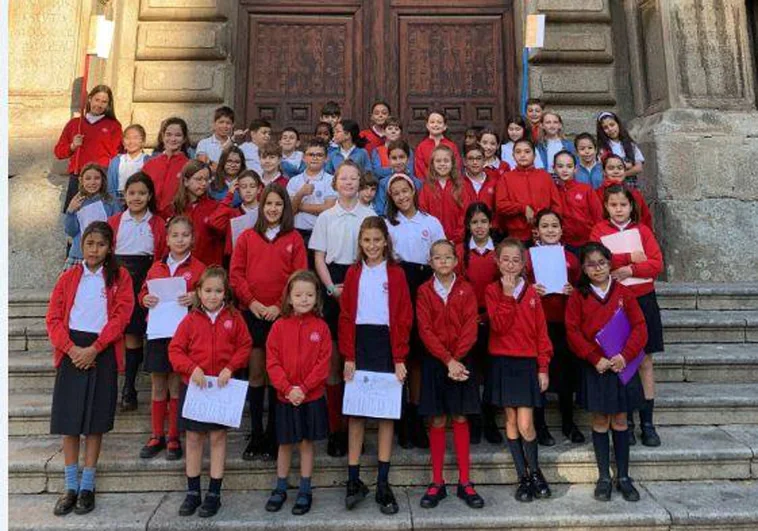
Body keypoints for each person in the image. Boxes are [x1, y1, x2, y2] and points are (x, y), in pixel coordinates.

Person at [47, 221, 134, 516]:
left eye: (100, 244)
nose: (94, 249)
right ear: (80, 246)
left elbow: (122, 316)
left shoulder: (119, 277)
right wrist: (71, 349)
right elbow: (54, 318)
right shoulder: (69, 277)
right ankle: (70, 485)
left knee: (94, 422)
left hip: (101, 351)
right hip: (71, 350)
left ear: (109, 248)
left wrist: (95, 348)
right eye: (89, 243)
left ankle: (87, 485)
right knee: (69, 422)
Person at [339, 216, 413, 515]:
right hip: (359, 343)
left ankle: (383, 482)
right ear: (360, 242)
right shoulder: (353, 273)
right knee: (356, 415)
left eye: (377, 240)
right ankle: (353, 479)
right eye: (366, 240)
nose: (372, 245)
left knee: (385, 415)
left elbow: (404, 317)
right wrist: (348, 355)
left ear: (386, 241)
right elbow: (345, 316)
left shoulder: (395, 274)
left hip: (387, 344)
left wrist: (399, 358)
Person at [230, 183, 308, 460]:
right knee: (256, 372)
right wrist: (252, 302)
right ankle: (257, 433)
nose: (273, 209)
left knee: (278, 375)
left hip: (282, 316)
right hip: (252, 313)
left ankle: (276, 433)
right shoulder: (248, 237)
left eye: (278, 204)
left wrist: (278, 306)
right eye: (268, 204)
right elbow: (236, 274)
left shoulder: (294, 239)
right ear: (261, 208)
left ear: (285, 208)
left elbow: (300, 277)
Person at [565, 242, 647, 502]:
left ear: (609, 264)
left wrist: (625, 355)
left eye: (602, 262)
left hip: (621, 365)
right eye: (591, 264)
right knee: (601, 420)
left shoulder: (624, 293)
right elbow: (573, 331)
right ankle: (603, 477)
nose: (597, 268)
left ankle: (623, 476)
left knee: (621, 420)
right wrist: (593, 357)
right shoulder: (579, 296)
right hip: (597, 367)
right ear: (584, 269)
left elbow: (640, 327)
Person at [170, 267, 252, 518]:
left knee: (217, 438)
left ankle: (214, 493)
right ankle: (193, 492)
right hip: (196, 388)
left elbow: (245, 345)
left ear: (225, 293)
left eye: (218, 291)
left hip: (222, 389)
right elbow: (175, 350)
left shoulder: (234, 318)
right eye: (207, 291)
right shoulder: (190, 320)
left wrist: (231, 367)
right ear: (198, 292)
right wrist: (191, 368)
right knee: (194, 439)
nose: (213, 296)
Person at [309, 160, 375, 457]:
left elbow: (375, 254)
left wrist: (358, 286)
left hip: (362, 280)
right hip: (333, 282)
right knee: (335, 360)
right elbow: (319, 257)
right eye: (343, 178)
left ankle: (356, 427)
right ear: (335, 183)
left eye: (354, 178)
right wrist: (331, 288)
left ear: (360, 183)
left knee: (358, 357)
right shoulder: (326, 217)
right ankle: (336, 429)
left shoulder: (370, 215)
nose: (348, 182)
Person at [590, 185, 664, 447]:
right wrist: (628, 257)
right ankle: (628, 422)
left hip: (643, 298)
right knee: (624, 362)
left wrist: (629, 268)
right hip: (616, 302)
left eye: (623, 205)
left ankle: (648, 423)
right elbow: (599, 261)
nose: (618, 210)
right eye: (613, 205)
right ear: (606, 207)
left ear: (631, 206)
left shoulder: (642, 230)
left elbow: (656, 264)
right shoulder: (600, 231)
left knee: (644, 361)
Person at [416, 239, 484, 510]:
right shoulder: (423, 291)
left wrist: (456, 359)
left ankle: (465, 481)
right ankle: (437, 482)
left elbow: (470, 326)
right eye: (437, 257)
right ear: (430, 262)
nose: (443, 261)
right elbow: (425, 329)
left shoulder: (466, 289)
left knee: (459, 415)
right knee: (438, 418)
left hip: (461, 361)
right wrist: (447, 360)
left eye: (448, 257)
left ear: (456, 261)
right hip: (436, 361)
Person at [485, 238, 552, 502]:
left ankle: (535, 471)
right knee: (511, 421)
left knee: (526, 423)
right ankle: (522, 476)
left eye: (516, 260)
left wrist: (543, 366)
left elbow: (541, 333)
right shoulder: (492, 291)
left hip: (526, 362)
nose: (510, 265)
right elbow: (499, 326)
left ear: (524, 264)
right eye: (505, 260)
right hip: (502, 360)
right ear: (497, 262)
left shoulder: (533, 293)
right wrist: (506, 295)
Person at [264, 270, 332, 516]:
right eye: (299, 295)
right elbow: (272, 361)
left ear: (316, 298)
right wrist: (287, 388)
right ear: (289, 298)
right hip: (285, 396)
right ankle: (280, 487)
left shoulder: (321, 328)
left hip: (310, 397)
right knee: (284, 443)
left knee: (305, 443)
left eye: (309, 295)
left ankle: (305, 488)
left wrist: (303, 389)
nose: (304, 299)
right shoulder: (279, 327)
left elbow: (323, 364)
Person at [138, 215, 206, 460]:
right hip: (158, 332)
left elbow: (210, 296)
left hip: (183, 335)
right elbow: (144, 292)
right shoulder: (157, 266)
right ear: (166, 239)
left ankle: (174, 436)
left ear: (193, 239)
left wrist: (195, 299)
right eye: (175, 235)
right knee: (158, 385)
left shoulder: (198, 268)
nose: (180, 240)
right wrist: (144, 299)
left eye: (185, 235)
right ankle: (157, 435)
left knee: (176, 385)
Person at [386, 172, 445, 448]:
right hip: (398, 284)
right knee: (400, 350)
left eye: (405, 190)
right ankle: (399, 418)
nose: (401, 196)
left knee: (420, 355)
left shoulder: (430, 222)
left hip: (423, 283)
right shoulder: (388, 224)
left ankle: (416, 413)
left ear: (413, 191)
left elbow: (440, 255)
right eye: (396, 193)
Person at [107, 172, 167, 412]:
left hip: (148, 278)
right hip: (120, 279)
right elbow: (107, 254)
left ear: (150, 195)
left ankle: (138, 385)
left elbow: (162, 254)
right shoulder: (115, 222)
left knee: (142, 332)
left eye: (142, 193)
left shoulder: (158, 223)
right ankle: (126, 387)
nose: (137, 197)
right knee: (127, 334)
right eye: (132, 193)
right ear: (125, 195)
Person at [525, 210, 583, 446]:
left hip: (564, 321)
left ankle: (569, 422)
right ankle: (540, 425)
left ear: (561, 230)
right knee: (540, 372)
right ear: (536, 230)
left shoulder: (571, 257)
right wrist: (531, 288)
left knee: (566, 373)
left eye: (554, 226)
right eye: (545, 226)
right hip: (538, 323)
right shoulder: (529, 256)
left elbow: (581, 285)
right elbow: (519, 284)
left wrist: (573, 290)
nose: (550, 230)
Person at [455, 203, 501, 444]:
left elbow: (503, 287)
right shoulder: (461, 252)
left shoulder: (499, 251)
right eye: (474, 222)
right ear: (468, 226)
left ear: (490, 223)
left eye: (484, 221)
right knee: (470, 370)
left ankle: (490, 419)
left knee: (492, 370)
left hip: (493, 317)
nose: (480, 227)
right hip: (469, 319)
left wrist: (488, 315)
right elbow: (459, 286)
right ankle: (473, 419)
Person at [54, 85, 122, 212]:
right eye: (97, 100)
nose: (99, 105)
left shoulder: (114, 126)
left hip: (102, 179)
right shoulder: (75, 124)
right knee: (75, 219)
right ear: (90, 99)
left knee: (101, 220)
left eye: (104, 102)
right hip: (79, 177)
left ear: (108, 105)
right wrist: (73, 146)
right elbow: (59, 152)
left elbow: (117, 155)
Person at [495, 139, 561, 246]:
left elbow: (556, 205)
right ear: (513, 155)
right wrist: (522, 208)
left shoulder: (545, 176)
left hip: (545, 235)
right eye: (518, 152)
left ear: (534, 155)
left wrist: (548, 227)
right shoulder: (506, 178)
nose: (522, 155)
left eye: (527, 151)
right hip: (517, 236)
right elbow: (500, 205)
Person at [167, 161, 223, 267]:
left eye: (206, 179)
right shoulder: (174, 208)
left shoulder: (215, 207)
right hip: (179, 269)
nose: (203, 183)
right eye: (198, 179)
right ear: (186, 181)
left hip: (207, 271)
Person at [63, 163, 120, 270]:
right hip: (78, 255)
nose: (92, 182)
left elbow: (117, 228)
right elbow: (70, 231)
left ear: (103, 180)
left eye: (97, 178)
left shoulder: (111, 201)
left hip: (103, 257)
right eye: (88, 178)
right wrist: (70, 211)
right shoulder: (78, 201)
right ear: (81, 181)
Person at [286, 139, 336, 249]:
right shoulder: (294, 181)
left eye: (319, 155)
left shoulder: (331, 180)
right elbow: (290, 211)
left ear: (326, 158)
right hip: (297, 231)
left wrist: (299, 206)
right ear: (304, 158)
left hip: (322, 233)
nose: (315, 158)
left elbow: (328, 208)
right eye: (310, 154)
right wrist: (301, 194)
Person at [552, 150, 604, 255]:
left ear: (576, 169)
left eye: (569, 166)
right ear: (554, 169)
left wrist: (595, 240)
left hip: (588, 242)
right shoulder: (552, 191)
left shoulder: (586, 189)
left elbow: (598, 216)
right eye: (560, 166)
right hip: (563, 243)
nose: (565, 170)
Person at [207, 169, 262, 266]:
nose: (248, 191)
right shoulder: (232, 212)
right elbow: (214, 222)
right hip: (235, 261)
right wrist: (229, 195)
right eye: (243, 187)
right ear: (238, 190)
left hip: (259, 259)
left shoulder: (265, 212)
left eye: (252, 186)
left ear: (259, 189)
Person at [143, 117, 191, 218]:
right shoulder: (149, 164)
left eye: (178, 135)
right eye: (168, 134)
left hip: (178, 221)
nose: (173, 139)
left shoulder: (189, 166)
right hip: (150, 219)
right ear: (162, 136)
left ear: (184, 138)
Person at [418, 145, 465, 243]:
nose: (442, 164)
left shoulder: (460, 186)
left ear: (452, 163)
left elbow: (465, 215)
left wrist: (456, 238)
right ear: (432, 164)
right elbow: (422, 214)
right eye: (438, 161)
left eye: (446, 161)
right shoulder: (427, 187)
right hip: (432, 241)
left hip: (456, 242)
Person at [596, 155, 653, 230]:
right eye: (611, 168)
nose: (616, 171)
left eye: (620, 168)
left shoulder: (634, 193)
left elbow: (645, 218)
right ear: (604, 172)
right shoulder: (596, 194)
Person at [596, 111, 644, 187]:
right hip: (611, 187)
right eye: (605, 128)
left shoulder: (631, 145)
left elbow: (639, 167)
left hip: (630, 186)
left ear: (618, 124)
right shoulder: (602, 149)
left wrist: (623, 174)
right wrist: (628, 165)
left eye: (612, 125)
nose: (610, 129)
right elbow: (602, 170)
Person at [106, 124, 149, 208]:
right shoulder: (116, 161)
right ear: (123, 142)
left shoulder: (148, 161)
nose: (131, 141)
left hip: (140, 201)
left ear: (143, 141)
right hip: (119, 201)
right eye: (128, 138)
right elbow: (110, 188)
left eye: (136, 138)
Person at [414, 109, 463, 180]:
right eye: (432, 122)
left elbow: (457, 165)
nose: (435, 125)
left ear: (445, 126)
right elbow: (419, 168)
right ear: (427, 126)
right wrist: (431, 180)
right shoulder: (421, 146)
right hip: (428, 184)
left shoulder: (452, 146)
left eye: (439, 122)